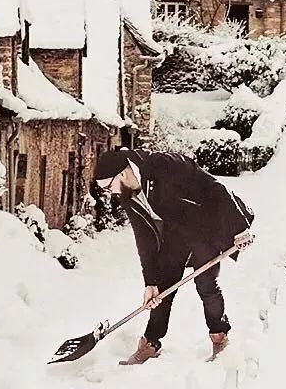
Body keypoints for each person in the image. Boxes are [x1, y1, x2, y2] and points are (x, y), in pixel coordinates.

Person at [92, 149, 255, 365]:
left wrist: (239, 228)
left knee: (205, 283)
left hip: (205, 228)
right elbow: (144, 238)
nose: (109, 193)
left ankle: (219, 334)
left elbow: (213, 188)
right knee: (162, 287)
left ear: (122, 174)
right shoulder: (127, 195)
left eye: (107, 186)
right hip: (175, 234)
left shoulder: (162, 164)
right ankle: (151, 342)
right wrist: (150, 281)